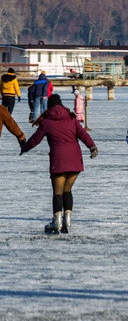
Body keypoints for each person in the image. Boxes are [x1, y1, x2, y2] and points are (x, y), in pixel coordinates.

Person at [21, 94, 98, 235]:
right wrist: (92, 147)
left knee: (57, 192)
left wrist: (24, 148)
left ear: (49, 106)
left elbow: (35, 139)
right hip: (75, 159)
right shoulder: (72, 118)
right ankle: (67, 221)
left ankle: (57, 222)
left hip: (59, 160)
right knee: (67, 190)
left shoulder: (47, 122)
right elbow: (83, 134)